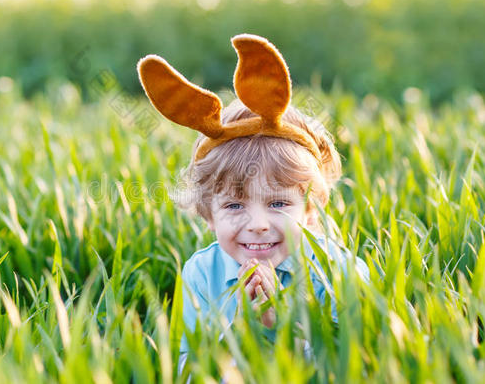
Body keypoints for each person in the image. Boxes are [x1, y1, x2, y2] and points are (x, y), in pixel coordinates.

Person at [136, 33, 370, 375]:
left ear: (309, 209)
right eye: (233, 206)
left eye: (277, 203)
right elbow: (187, 371)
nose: (258, 223)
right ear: (208, 214)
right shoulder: (202, 274)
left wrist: (286, 326)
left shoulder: (339, 272)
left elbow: (356, 365)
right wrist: (241, 333)